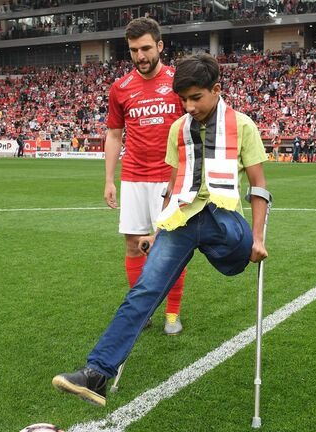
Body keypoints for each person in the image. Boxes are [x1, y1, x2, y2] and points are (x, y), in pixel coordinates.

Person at [53, 53, 269, 407]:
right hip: (182, 220)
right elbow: (173, 185)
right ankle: (97, 374)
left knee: (229, 244)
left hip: (224, 221)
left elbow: (259, 186)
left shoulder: (242, 125)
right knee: (143, 291)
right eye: (183, 99)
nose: (188, 106)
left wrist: (258, 239)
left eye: (196, 98)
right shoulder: (177, 130)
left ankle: (235, 244)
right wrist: (158, 230)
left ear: (217, 90)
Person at [102, 18, 187, 335]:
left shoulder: (179, 83)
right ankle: (142, 310)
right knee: (134, 245)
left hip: (170, 178)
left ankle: (172, 313)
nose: (140, 55)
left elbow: (189, 134)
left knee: (174, 246)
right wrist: (110, 179)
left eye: (146, 48)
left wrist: (181, 181)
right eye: (134, 49)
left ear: (160, 46)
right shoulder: (120, 88)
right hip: (134, 177)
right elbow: (114, 134)